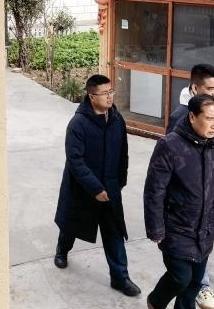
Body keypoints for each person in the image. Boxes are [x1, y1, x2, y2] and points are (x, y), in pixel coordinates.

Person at [53, 74, 140, 297]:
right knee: (72, 225)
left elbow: (123, 153)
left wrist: (120, 181)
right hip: (83, 188)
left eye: (111, 91)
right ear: (92, 96)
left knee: (114, 231)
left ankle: (120, 277)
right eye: (104, 93)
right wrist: (95, 188)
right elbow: (75, 160)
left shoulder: (117, 119)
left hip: (110, 187)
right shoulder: (78, 124)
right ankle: (62, 250)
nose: (110, 97)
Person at [143, 94, 214, 309]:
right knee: (180, 277)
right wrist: (156, 228)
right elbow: (154, 191)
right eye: (209, 118)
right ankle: (155, 302)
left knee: (194, 282)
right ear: (192, 117)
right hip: (177, 226)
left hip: (206, 227)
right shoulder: (170, 145)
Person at [167, 64, 214, 309]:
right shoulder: (181, 117)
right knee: (188, 261)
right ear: (195, 88)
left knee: (206, 240)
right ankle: (201, 286)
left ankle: (198, 285)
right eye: (210, 89)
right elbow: (171, 166)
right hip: (191, 201)